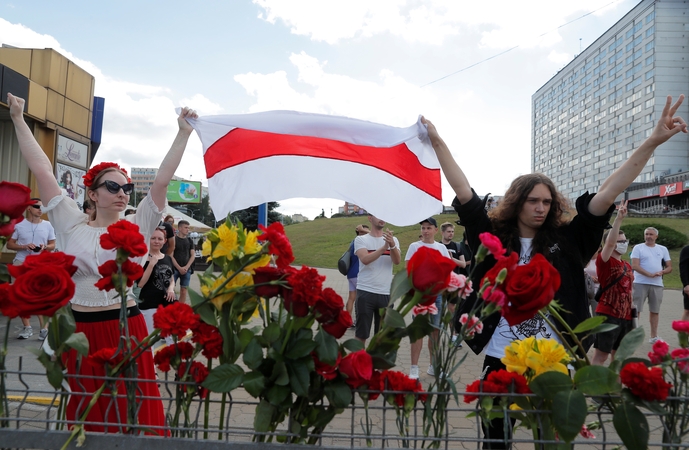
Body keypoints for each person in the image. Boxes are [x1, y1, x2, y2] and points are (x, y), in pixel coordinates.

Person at [422, 94, 686, 449]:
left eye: (546, 201)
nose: (541, 208)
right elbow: (462, 189)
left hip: (555, 359)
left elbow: (611, 189)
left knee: (553, 441)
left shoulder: (570, 239)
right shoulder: (493, 238)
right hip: (501, 358)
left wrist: (652, 142)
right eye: (533, 200)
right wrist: (438, 142)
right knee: (495, 439)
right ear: (517, 201)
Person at [8, 91, 198, 434]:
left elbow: (161, 180)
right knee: (86, 403)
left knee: (135, 402)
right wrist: (19, 120)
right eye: (113, 186)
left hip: (126, 326)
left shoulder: (138, 222)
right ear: (92, 194)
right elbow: (42, 169)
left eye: (125, 186)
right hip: (80, 330)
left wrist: (182, 133)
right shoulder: (69, 222)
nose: (123, 192)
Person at [406, 217, 452, 379]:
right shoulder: (414, 246)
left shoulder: (441, 248)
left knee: (435, 333)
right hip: (419, 296)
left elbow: (446, 271)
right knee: (418, 332)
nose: (425, 231)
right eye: (423, 228)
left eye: (428, 228)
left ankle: (434, 366)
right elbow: (409, 270)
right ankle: (413, 368)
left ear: (435, 230)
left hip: (437, 296)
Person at [6, 199, 56, 340]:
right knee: (20, 296)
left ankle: (44, 329)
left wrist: (45, 247)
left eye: (42, 207)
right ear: (29, 208)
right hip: (21, 262)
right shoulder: (19, 225)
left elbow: (52, 244)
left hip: (39, 263)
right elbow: (9, 244)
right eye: (36, 207)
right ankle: (27, 327)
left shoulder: (47, 225)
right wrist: (24, 246)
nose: (40, 210)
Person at [592, 201, 634, 365]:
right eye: (620, 240)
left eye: (624, 240)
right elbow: (609, 243)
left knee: (619, 358)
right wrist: (619, 219)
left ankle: (615, 389)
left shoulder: (627, 265)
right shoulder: (605, 261)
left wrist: (633, 314)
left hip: (626, 316)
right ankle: (592, 389)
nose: (623, 243)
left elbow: (630, 290)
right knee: (601, 356)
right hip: (608, 315)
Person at [353, 214, 400, 344]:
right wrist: (384, 248)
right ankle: (359, 364)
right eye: (378, 215)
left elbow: (397, 261)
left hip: (386, 293)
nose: (382, 218)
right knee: (361, 335)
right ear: (370, 218)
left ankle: (376, 364)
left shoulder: (393, 240)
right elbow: (365, 259)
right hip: (365, 292)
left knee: (382, 336)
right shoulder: (361, 240)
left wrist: (391, 245)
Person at [631, 226, 672, 343]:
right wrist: (648, 274)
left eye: (651, 234)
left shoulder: (663, 249)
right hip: (639, 283)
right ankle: (633, 335)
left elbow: (669, 267)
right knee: (635, 310)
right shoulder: (638, 248)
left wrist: (663, 272)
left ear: (656, 236)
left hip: (657, 284)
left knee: (655, 310)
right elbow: (635, 265)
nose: (648, 236)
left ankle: (654, 336)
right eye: (647, 234)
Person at [138, 227, 176, 334]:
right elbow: (140, 284)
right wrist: (151, 264)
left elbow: (171, 279)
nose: (156, 241)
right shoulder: (141, 259)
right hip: (150, 304)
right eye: (153, 238)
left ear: (164, 241)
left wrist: (171, 289)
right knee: (149, 337)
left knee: (171, 337)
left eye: (160, 239)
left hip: (166, 302)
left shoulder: (167, 258)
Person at [441, 221, 468, 348]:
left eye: (452, 231)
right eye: (448, 231)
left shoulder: (457, 246)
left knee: (452, 310)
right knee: (438, 310)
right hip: (439, 283)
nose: (451, 234)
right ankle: (436, 336)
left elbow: (463, 264)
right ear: (442, 233)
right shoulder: (438, 246)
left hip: (453, 284)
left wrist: (452, 260)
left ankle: (454, 336)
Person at [346, 224, 370, 325]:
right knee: (361, 299)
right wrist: (365, 231)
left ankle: (347, 321)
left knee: (351, 298)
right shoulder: (360, 242)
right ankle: (359, 322)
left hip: (351, 274)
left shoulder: (353, 242)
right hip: (358, 274)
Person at [171, 220, 195, 304]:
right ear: (180, 228)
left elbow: (192, 255)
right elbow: (171, 255)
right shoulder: (174, 239)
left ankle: (180, 308)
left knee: (184, 290)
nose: (187, 229)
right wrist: (179, 268)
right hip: (174, 268)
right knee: (171, 288)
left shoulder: (190, 240)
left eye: (188, 228)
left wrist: (186, 267)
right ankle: (172, 305)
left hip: (186, 269)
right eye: (186, 227)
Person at [679, 244, 689, 322]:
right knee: (687, 310)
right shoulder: (686, 250)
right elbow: (683, 269)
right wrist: (686, 284)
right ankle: (682, 334)